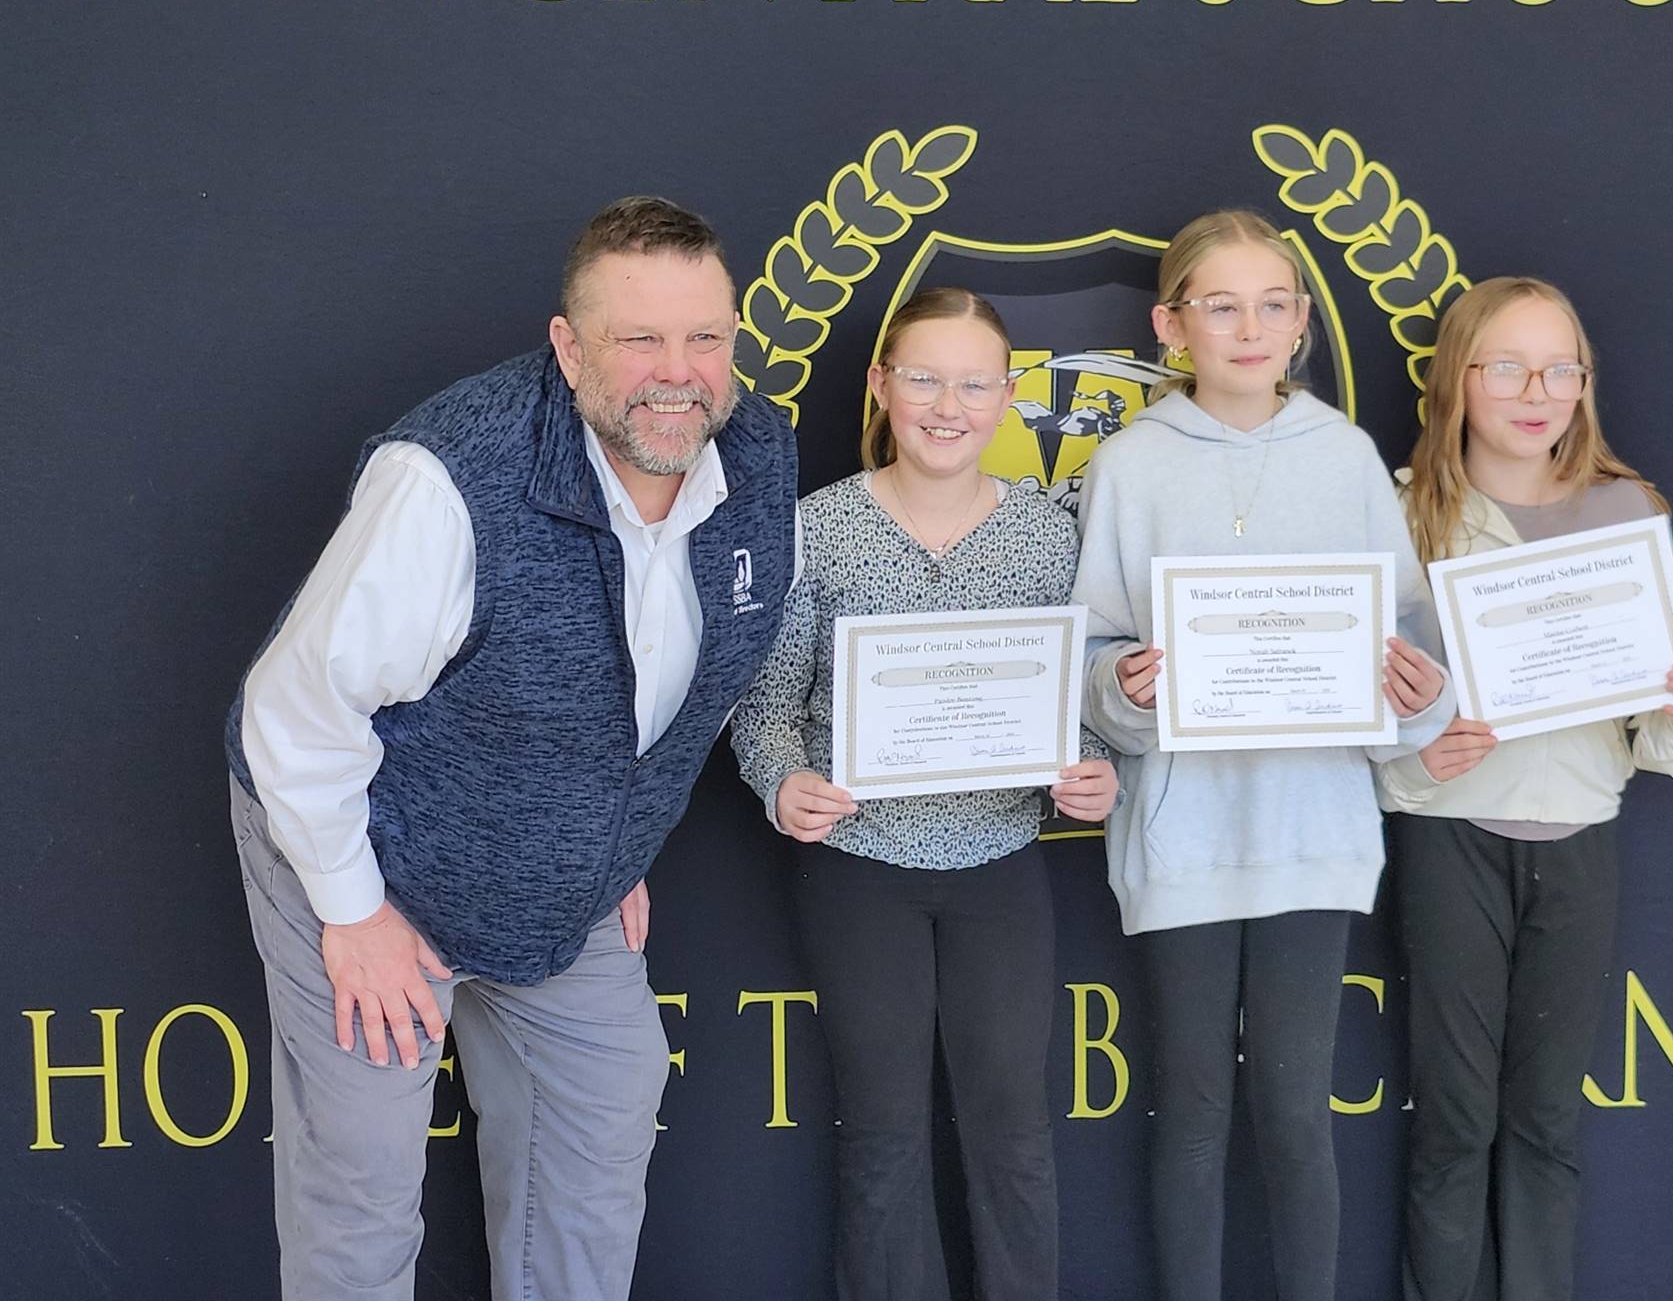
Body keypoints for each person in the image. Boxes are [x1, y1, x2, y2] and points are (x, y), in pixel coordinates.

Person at [223, 197, 798, 1300]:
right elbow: (296, 712)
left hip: (554, 861)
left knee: (610, 1090)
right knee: (366, 1166)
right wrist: (350, 913)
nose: (678, 372)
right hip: (365, 844)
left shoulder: (758, 460)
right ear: (569, 348)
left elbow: (704, 672)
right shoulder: (449, 481)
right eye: (639, 340)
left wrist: (615, 849)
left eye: (707, 337)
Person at [1071, 209, 1454, 1301]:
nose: (1250, 326)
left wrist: (1417, 697)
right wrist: (1124, 689)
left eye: (1273, 304)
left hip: (1312, 830)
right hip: (1183, 834)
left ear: (1301, 326)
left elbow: (1407, 642)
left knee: (1295, 1109)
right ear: (1171, 325)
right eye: (1221, 304)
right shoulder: (1130, 465)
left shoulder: (1344, 458)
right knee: (1190, 1106)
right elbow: (1094, 653)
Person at [730, 287, 1119, 1301]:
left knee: (1016, 1133)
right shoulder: (815, 530)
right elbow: (765, 709)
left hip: (999, 866)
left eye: (974, 384)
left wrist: (1087, 771)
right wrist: (785, 785)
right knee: (885, 1135)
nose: (948, 406)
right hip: (860, 871)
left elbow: (1067, 706)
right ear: (880, 386)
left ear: (1007, 398)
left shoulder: (1047, 538)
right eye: (924, 379)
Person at [1380, 277, 1673, 1301]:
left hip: (1578, 832)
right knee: (1453, 1120)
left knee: (1544, 1121)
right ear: (1458, 380)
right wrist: (1412, 762)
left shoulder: (1627, 512)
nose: (1537, 391)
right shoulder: (1408, 516)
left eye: (1560, 368)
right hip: (1449, 835)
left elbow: (1652, 737)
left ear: (1584, 383)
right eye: (1506, 366)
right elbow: (1362, 720)